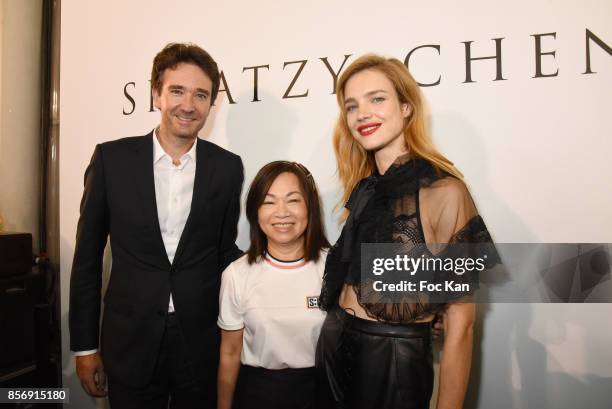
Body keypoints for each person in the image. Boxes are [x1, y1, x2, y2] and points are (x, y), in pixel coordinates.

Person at [316, 54, 498, 409]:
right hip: (335, 343)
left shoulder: (444, 192)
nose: (362, 114)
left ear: (406, 107)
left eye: (377, 98)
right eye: (351, 106)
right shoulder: (365, 189)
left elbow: (461, 328)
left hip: (394, 357)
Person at [69, 43, 244, 409]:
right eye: (177, 90)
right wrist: (85, 347)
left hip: (200, 341)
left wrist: (281, 264)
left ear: (211, 103)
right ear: (156, 93)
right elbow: (86, 260)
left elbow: (224, 251)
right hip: (129, 341)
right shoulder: (111, 160)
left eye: (201, 95)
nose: (188, 105)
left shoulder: (227, 168)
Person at [217, 161, 330, 409]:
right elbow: (230, 352)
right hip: (257, 394)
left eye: (293, 200)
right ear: (255, 212)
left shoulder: (333, 267)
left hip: (321, 393)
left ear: (309, 207)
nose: (282, 212)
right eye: (269, 201)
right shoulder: (237, 274)